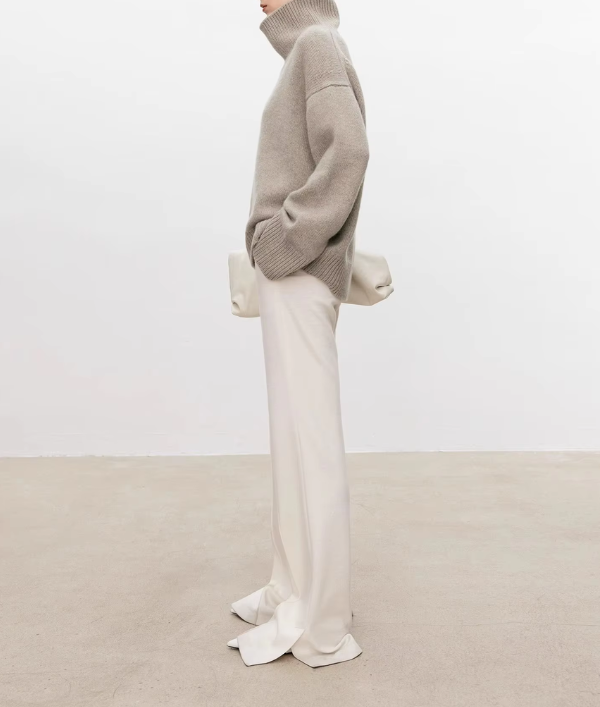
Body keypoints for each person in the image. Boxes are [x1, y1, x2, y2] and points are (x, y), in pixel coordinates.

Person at [227, 0, 370, 668]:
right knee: (292, 439)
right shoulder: (309, 48)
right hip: (291, 272)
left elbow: (350, 152)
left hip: (298, 270)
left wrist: (282, 241)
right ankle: (291, 587)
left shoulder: (315, 43)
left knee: (311, 448)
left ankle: (322, 624)